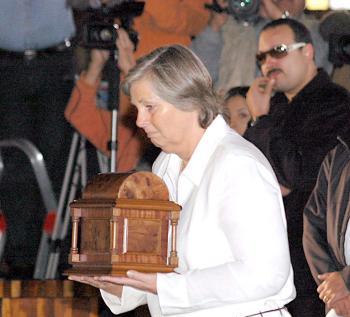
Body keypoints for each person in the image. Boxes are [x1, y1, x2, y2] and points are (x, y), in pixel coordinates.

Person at [69, 44, 298, 317]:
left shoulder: (237, 165)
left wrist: (160, 284)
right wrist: (116, 281)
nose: (139, 120)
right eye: (137, 108)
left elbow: (266, 274)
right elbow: (161, 267)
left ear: (189, 101)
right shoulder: (165, 166)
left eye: (149, 106)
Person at [244, 17, 350, 317]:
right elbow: (257, 181)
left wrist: (260, 118)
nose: (268, 64)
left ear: (308, 52)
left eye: (278, 51)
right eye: (262, 57)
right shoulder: (277, 110)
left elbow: (293, 177)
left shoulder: (333, 102)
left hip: (315, 271)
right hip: (280, 264)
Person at [65, 0, 210, 172]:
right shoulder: (133, 118)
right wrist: (96, 65)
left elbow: (197, 21)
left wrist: (132, 71)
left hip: (170, 87)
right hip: (128, 94)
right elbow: (78, 114)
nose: (142, 120)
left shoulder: (173, 118)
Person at [0, 0, 76, 277]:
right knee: (15, 163)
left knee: (58, 160)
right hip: (6, 65)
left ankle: (60, 255)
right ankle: (21, 260)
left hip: (57, 62)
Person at [191, 0, 331, 92]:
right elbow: (194, 77)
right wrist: (215, 23)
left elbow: (311, 71)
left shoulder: (315, 30)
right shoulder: (232, 26)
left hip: (277, 123)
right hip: (229, 121)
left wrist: (281, 19)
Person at [303, 135, 350, 317]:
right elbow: (314, 224)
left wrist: (346, 281)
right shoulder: (340, 154)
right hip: (342, 311)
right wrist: (333, 289)